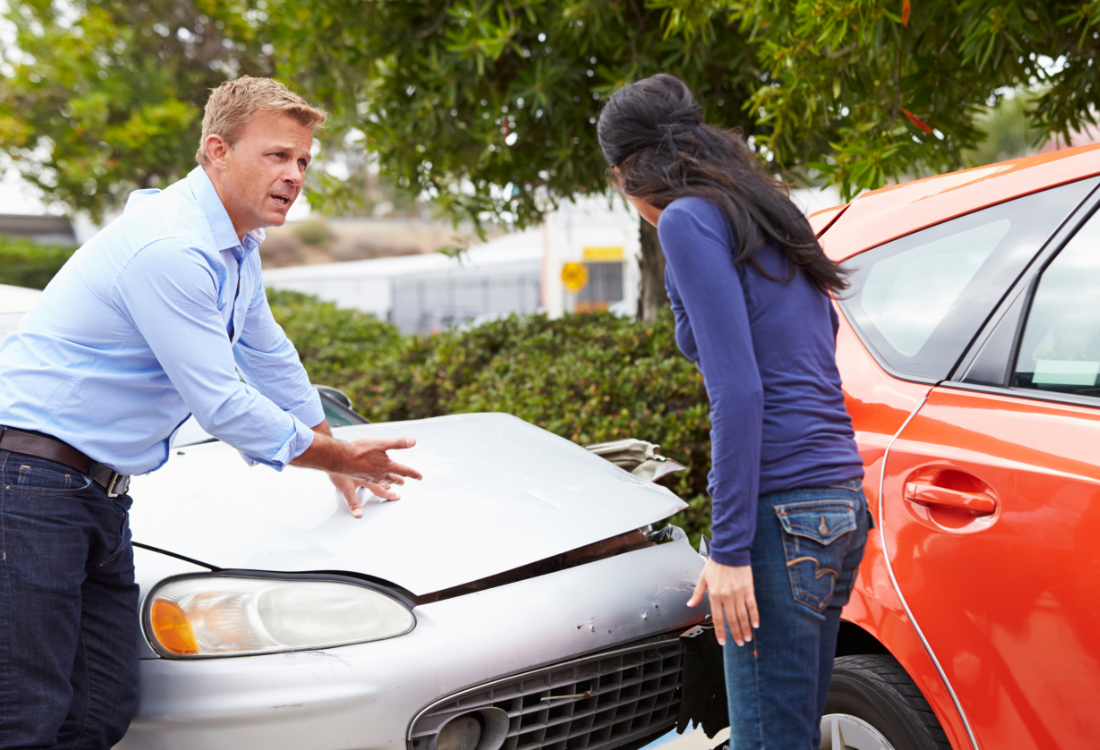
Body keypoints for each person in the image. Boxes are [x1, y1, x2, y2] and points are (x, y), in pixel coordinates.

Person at [0, 77, 422, 749]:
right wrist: (336, 458)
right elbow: (223, 402)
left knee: (100, 711)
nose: (295, 175)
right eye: (278, 156)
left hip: (92, 493)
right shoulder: (171, 248)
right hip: (28, 486)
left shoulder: (234, 247)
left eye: (304, 161)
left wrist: (328, 446)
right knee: (25, 720)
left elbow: (269, 352)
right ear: (217, 151)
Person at [597, 74, 869, 749]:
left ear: (623, 173)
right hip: (839, 506)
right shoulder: (769, 213)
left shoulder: (689, 220)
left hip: (778, 517)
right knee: (792, 735)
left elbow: (740, 391)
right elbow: (816, 346)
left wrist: (730, 548)